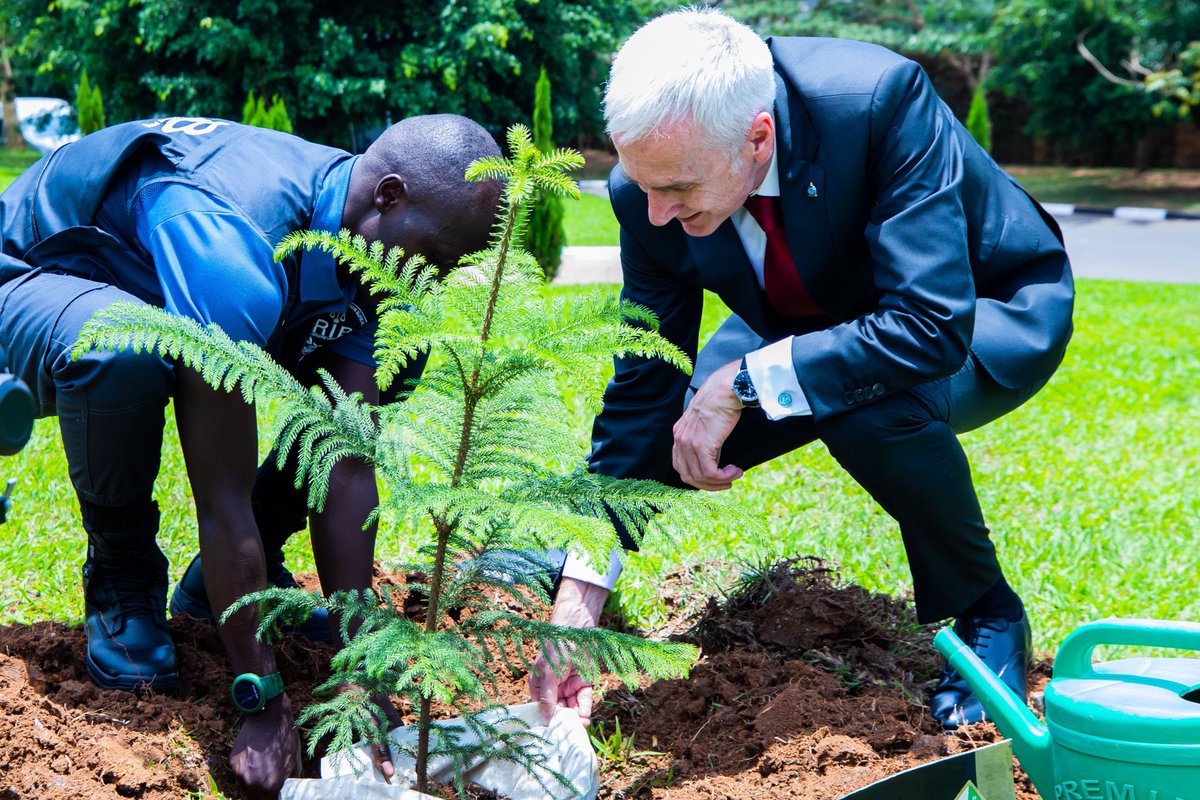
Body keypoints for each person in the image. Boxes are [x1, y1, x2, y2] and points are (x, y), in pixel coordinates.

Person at [529, 8, 1073, 731]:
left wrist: (746, 380)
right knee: (674, 428)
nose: (654, 214)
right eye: (641, 184)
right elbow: (644, 380)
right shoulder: (650, 191)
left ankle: (987, 610)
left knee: (867, 404)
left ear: (758, 138)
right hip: (801, 320)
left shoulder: (877, 101)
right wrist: (578, 609)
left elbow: (930, 325)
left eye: (680, 191)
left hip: (979, 307)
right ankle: (573, 566)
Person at [0, 114, 500, 795]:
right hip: (26, 278)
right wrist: (259, 697)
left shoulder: (369, 243)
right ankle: (122, 583)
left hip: (147, 283)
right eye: (435, 257)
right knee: (125, 349)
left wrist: (361, 663)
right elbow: (221, 491)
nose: (432, 283)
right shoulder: (234, 246)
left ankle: (220, 591)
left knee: (337, 400)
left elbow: (344, 459)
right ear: (388, 195)